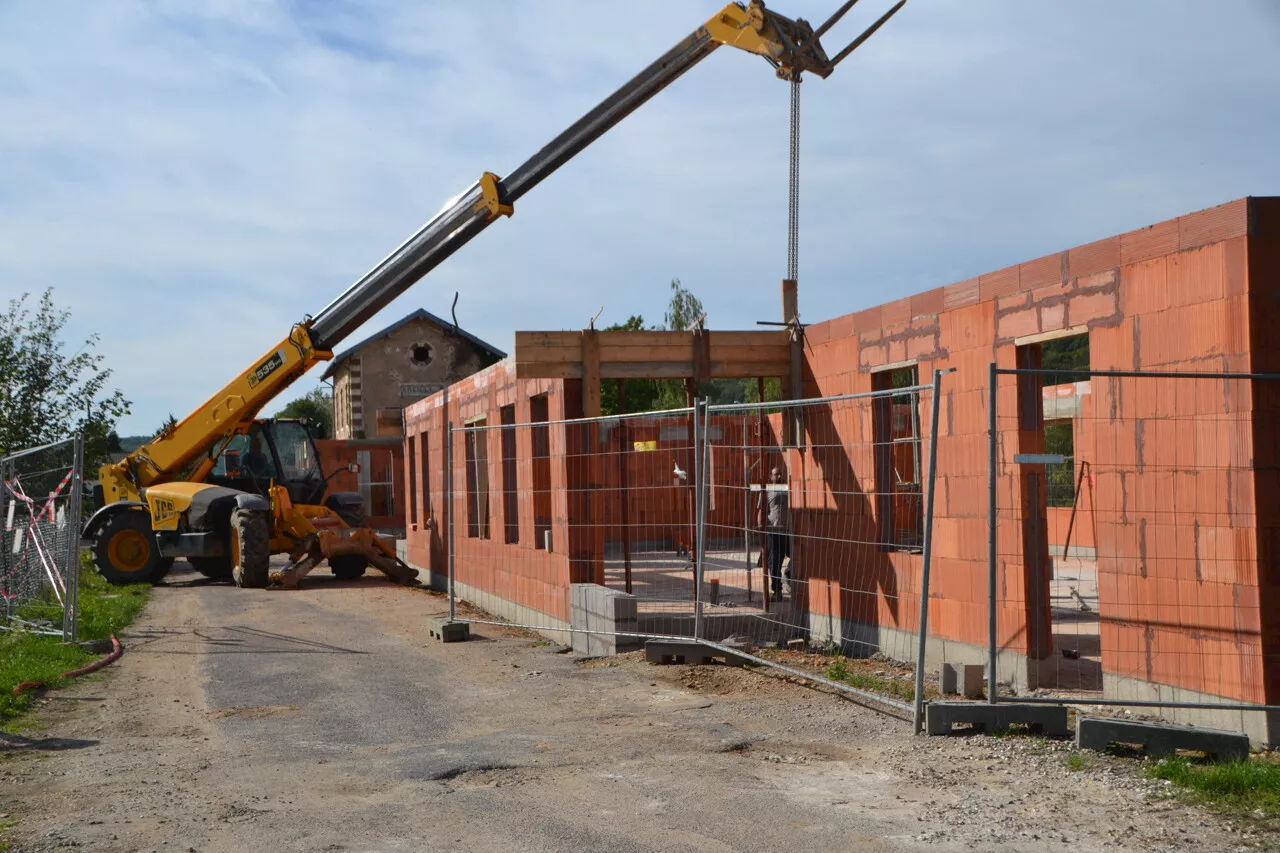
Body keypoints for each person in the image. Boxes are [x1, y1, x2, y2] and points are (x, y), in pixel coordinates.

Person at [758, 465, 791, 602]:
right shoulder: (766, 491)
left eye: (780, 474)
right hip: (774, 532)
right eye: (775, 474)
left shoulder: (787, 489)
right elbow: (761, 510)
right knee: (775, 563)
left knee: (798, 556)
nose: (778, 476)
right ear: (770, 477)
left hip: (787, 531)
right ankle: (777, 591)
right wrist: (761, 527)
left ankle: (788, 574)